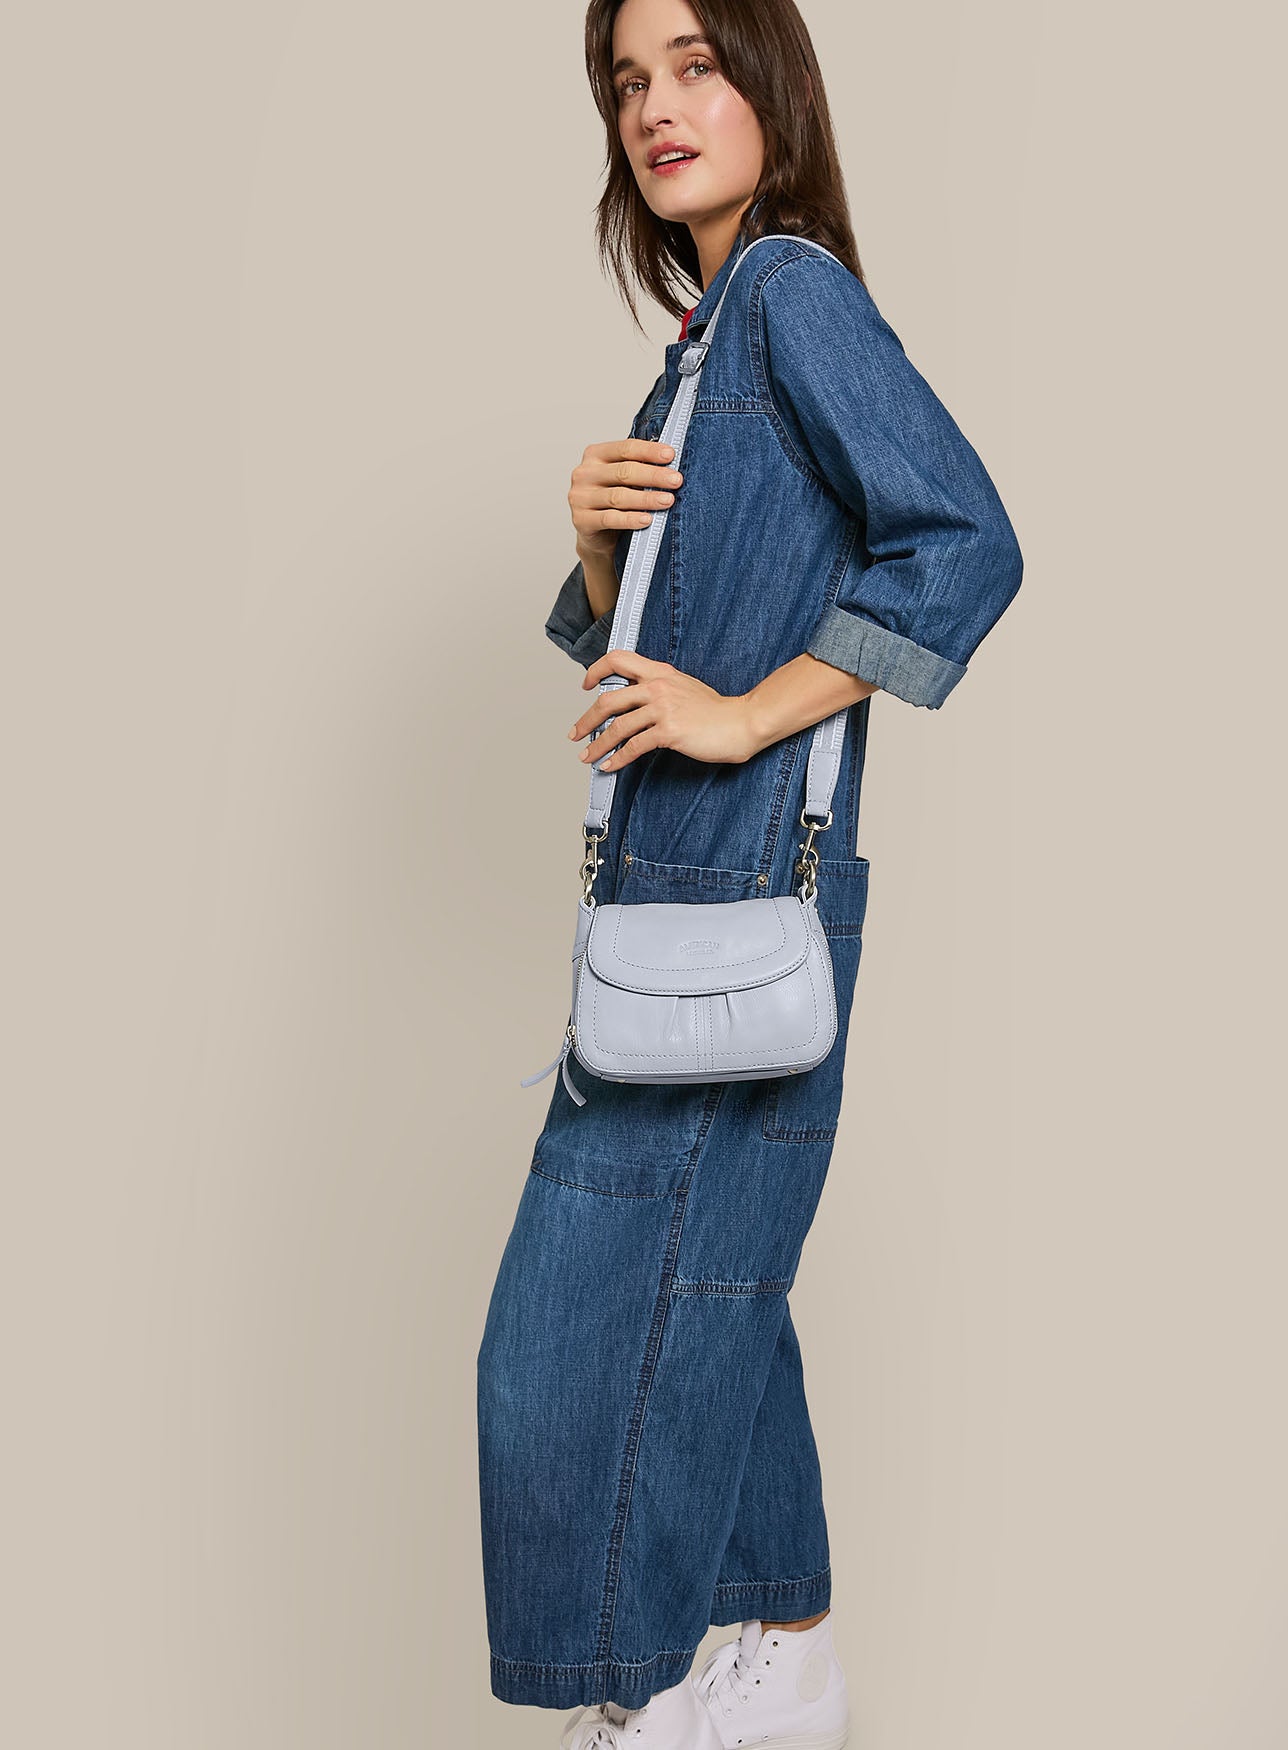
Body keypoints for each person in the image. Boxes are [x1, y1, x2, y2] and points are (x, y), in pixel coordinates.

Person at [476, 2, 1024, 1745]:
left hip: (732, 901)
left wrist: (741, 722)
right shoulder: (708, 344)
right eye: (627, 83)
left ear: (772, 85)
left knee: (559, 1351)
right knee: (715, 1300)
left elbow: (965, 538)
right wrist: (593, 554)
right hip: (674, 906)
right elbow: (659, 642)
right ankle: (773, 1653)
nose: (655, 107)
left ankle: (644, 1693)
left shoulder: (789, 295)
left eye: (695, 64)